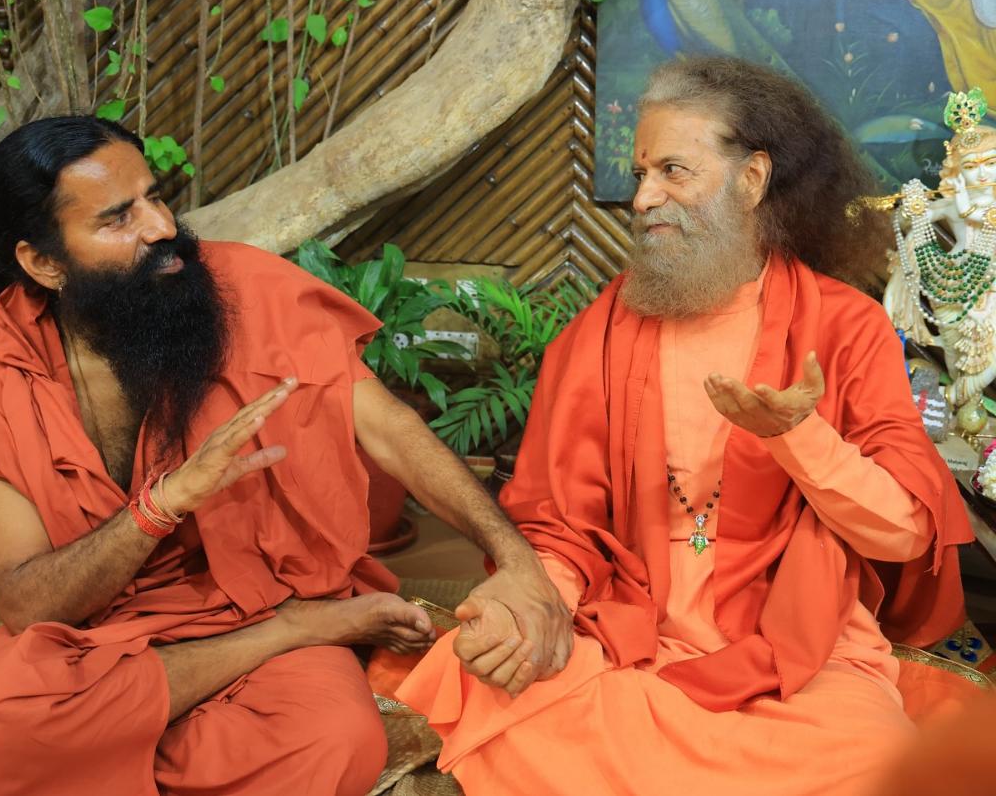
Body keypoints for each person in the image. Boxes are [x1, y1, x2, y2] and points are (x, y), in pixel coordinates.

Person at [0, 116, 571, 795]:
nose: (160, 227)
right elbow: (29, 606)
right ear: (45, 264)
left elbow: (392, 429)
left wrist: (516, 559)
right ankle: (261, 650)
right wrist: (163, 504)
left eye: (155, 197)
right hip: (108, 633)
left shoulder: (246, 291)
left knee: (337, 742)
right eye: (118, 218)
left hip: (256, 600)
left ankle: (78, 738)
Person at [396, 56, 974, 796]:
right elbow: (562, 528)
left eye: (673, 171)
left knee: (873, 758)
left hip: (799, 655)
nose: (643, 198)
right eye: (641, 173)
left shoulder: (845, 326)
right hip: (625, 631)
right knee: (478, 681)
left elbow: (905, 534)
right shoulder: (601, 332)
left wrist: (797, 437)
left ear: (752, 179)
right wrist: (531, 607)